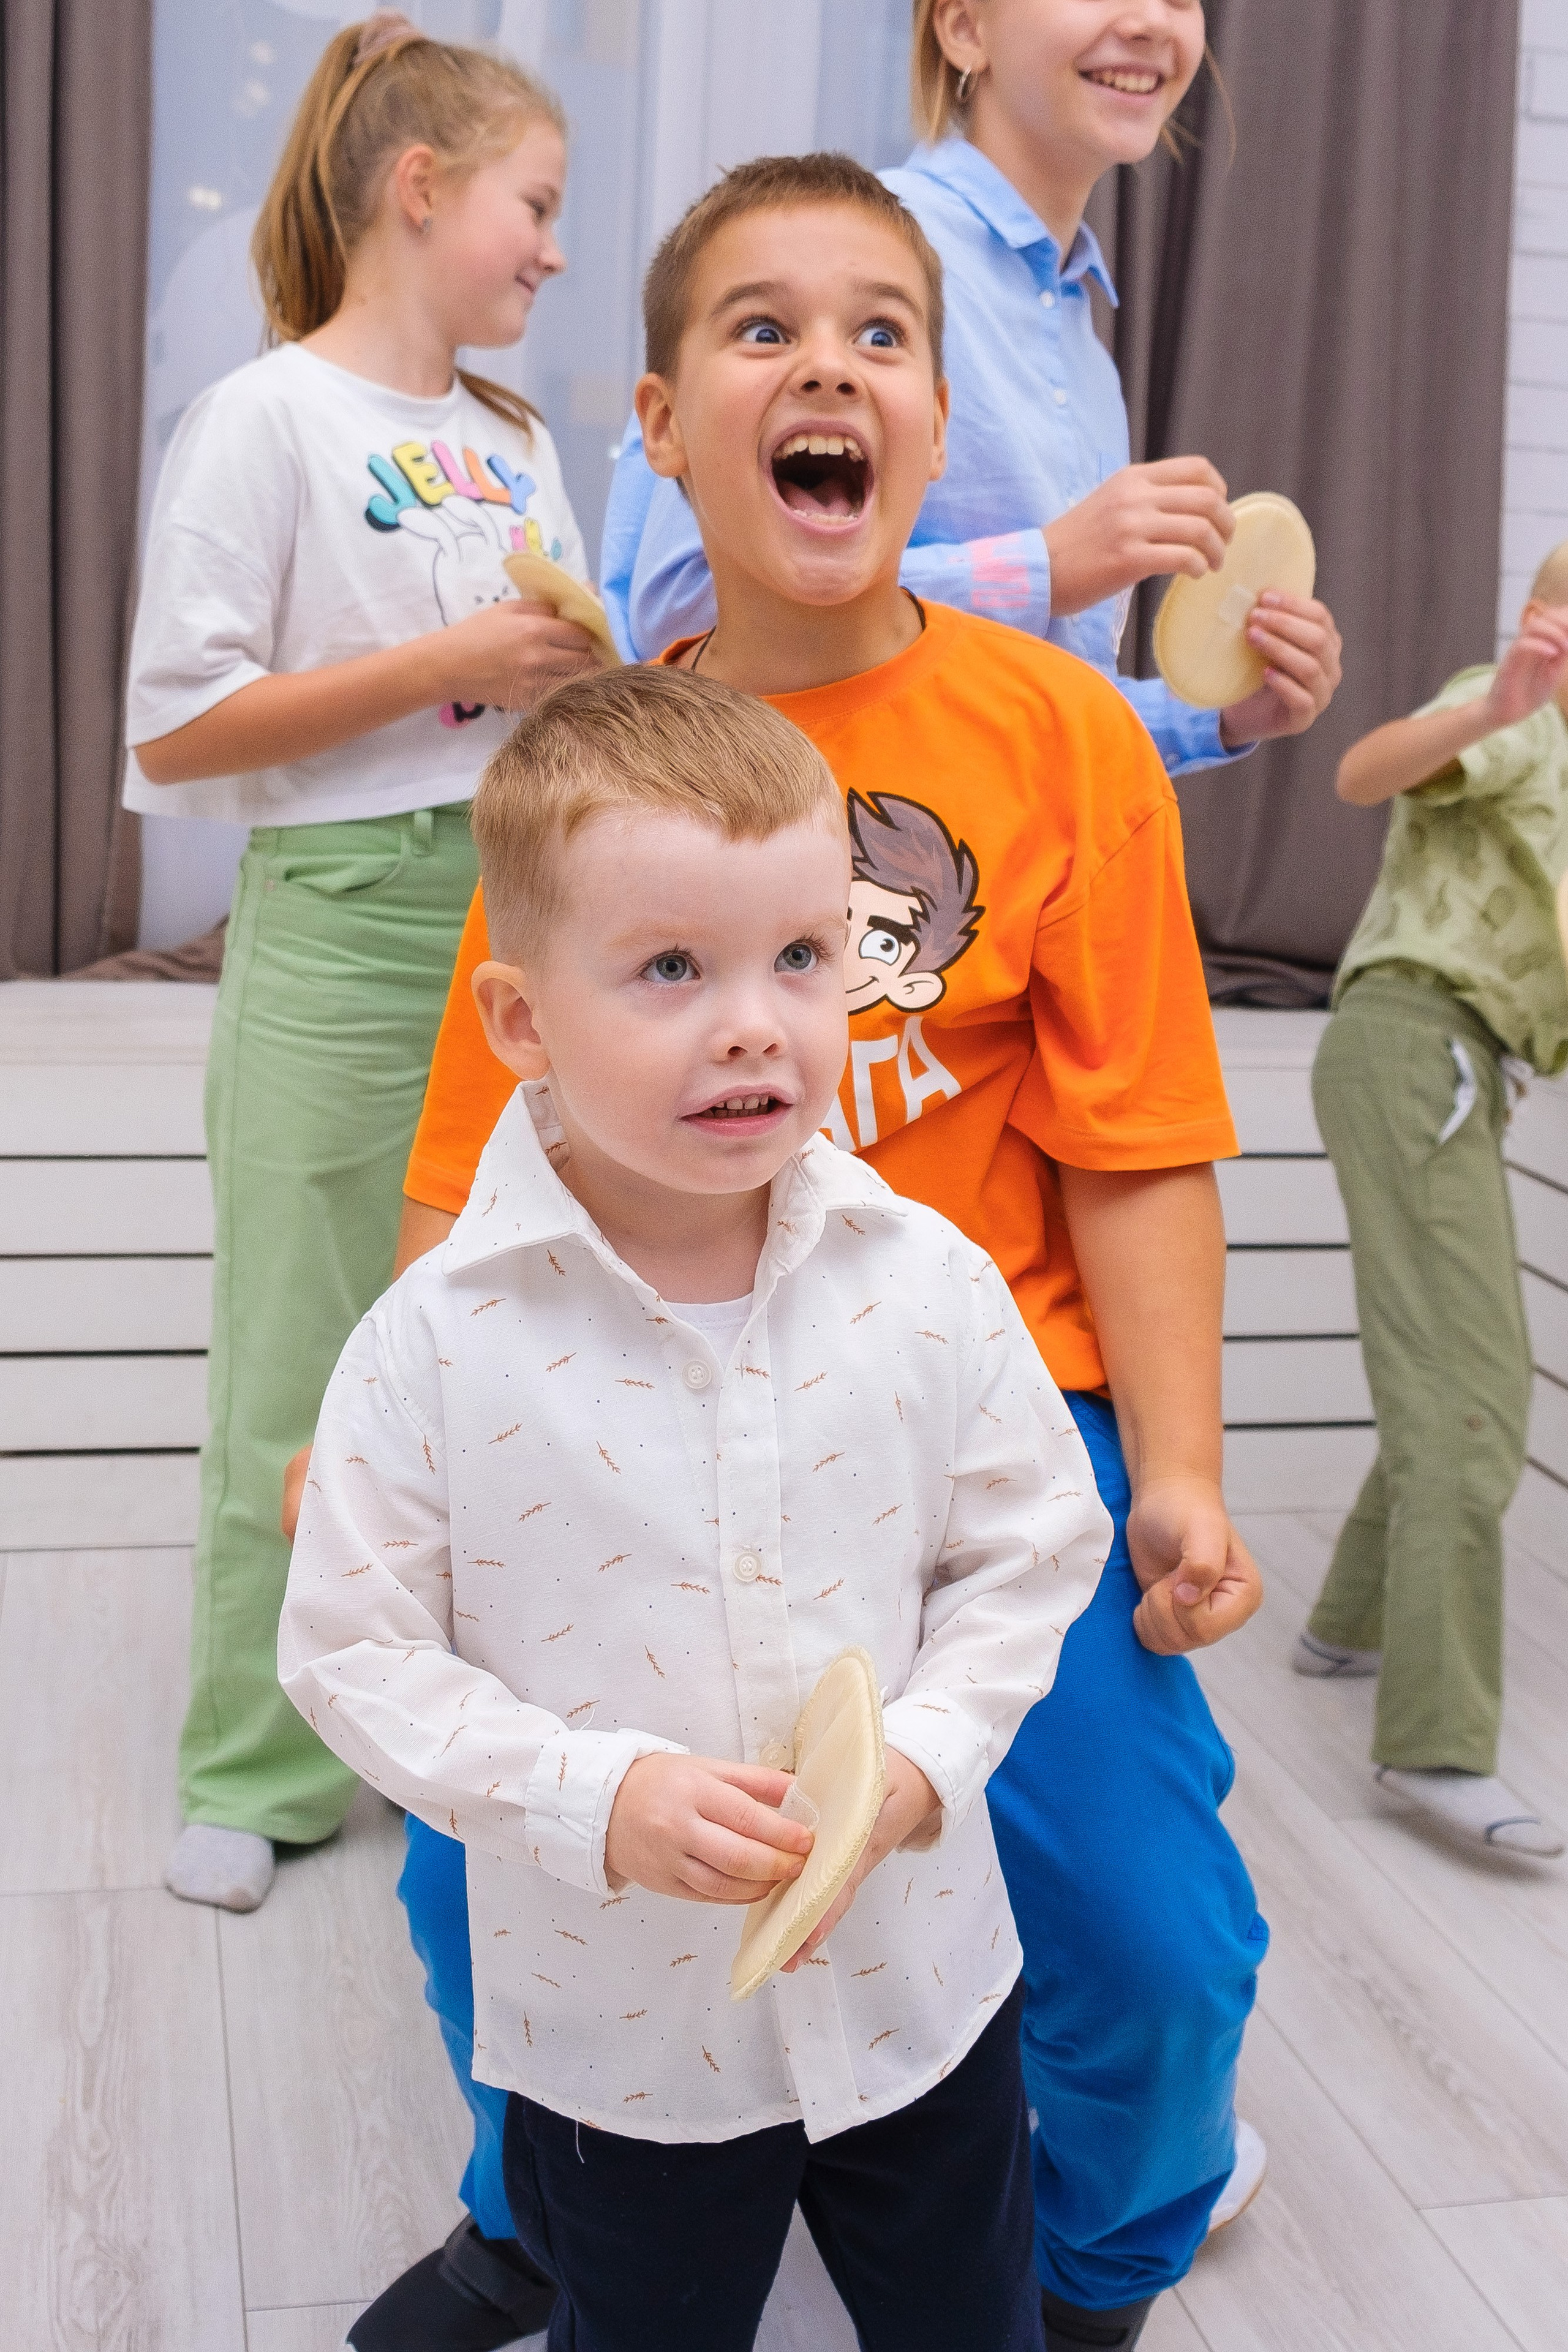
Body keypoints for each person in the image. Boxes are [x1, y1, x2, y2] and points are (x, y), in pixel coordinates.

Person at [332, 153, 1272, 2352]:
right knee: (507, 1903)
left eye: (878, 331)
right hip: (622, 1396)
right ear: (656, 423)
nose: (823, 364)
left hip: (979, 1416)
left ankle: (1090, 2267)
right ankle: (536, 2214)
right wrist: (383, 1444)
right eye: (758, 327)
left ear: (934, 424)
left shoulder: (1060, 742)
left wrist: (1181, 1469)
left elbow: (1136, 1146)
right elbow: (478, 1157)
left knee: (1148, 1945)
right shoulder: (585, 782)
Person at [280, 663, 1112, 2352]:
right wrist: (598, 1795)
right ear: (520, 1020)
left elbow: (1033, 1547)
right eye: (674, 968)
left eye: (803, 959)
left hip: (922, 1994)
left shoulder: (929, 1280)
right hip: (627, 2048)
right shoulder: (435, 1342)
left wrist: (928, 1757)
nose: (756, 1022)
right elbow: (350, 1655)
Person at [125, 13, 603, 1921]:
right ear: (422, 190)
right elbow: (178, 732)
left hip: (519, 915)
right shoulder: (269, 419)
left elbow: (541, 683)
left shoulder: (513, 437)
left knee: (502, 1347)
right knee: (301, 1357)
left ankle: (451, 1735)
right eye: (534, 206)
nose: (555, 249)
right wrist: (451, 662)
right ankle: (259, 1759)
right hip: (336, 917)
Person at [600, 0, 1343, 782]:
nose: (1153, 22)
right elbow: (680, 612)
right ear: (962, 28)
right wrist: (1044, 570)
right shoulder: (852, 258)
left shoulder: (1082, 345)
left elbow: (1034, 706)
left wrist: (1217, 719)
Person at [1293, 550, 1568, 1863]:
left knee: (1448, 1375)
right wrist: (1491, 705)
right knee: (1464, 1398)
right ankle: (1433, 1744)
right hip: (1415, 1053)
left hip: (1449, 1071)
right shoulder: (1517, 719)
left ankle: (1341, 1627)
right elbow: (1364, 769)